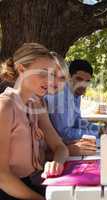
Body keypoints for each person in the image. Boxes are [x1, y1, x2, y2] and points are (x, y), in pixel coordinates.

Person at [0, 43, 68, 200]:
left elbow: (60, 148)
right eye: (43, 73)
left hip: (36, 183)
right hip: (11, 191)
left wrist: (56, 163)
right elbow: (2, 176)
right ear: (22, 70)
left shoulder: (36, 104)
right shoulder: (5, 106)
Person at [45, 59, 101, 143]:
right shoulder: (60, 95)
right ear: (69, 77)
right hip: (52, 149)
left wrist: (99, 129)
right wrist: (97, 134)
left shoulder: (76, 93)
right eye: (79, 79)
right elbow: (64, 133)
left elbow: (76, 121)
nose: (83, 85)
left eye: (87, 81)